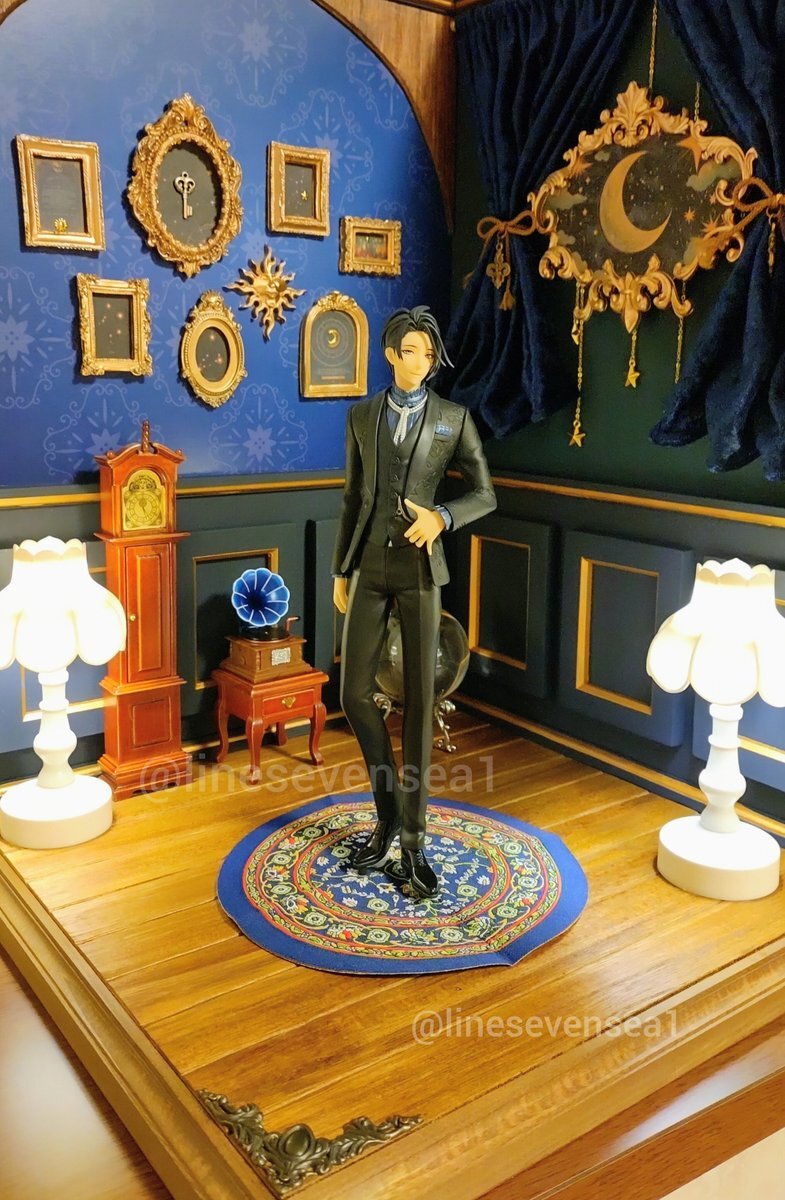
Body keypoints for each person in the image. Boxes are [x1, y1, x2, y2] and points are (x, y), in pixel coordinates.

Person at [332, 305, 496, 899]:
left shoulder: (454, 419)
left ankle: (413, 840)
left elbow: (485, 493)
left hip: (422, 570)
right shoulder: (361, 416)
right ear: (390, 355)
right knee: (353, 694)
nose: (420, 362)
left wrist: (442, 516)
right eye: (410, 352)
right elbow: (353, 496)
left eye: (428, 354)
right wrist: (341, 568)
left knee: (421, 702)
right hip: (369, 566)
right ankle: (387, 813)